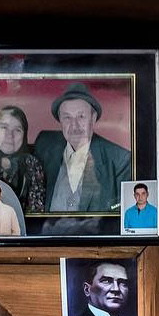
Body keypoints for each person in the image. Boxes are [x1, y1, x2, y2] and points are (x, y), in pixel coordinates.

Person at [33, 82, 132, 219]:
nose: (74, 126)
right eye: (67, 117)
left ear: (93, 118)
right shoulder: (45, 145)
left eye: (81, 116)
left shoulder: (120, 161)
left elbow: (123, 217)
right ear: (60, 120)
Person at [0, 105, 46, 212]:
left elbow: (36, 210)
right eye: (4, 127)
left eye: (17, 130)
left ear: (24, 135)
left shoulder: (31, 164)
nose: (9, 135)